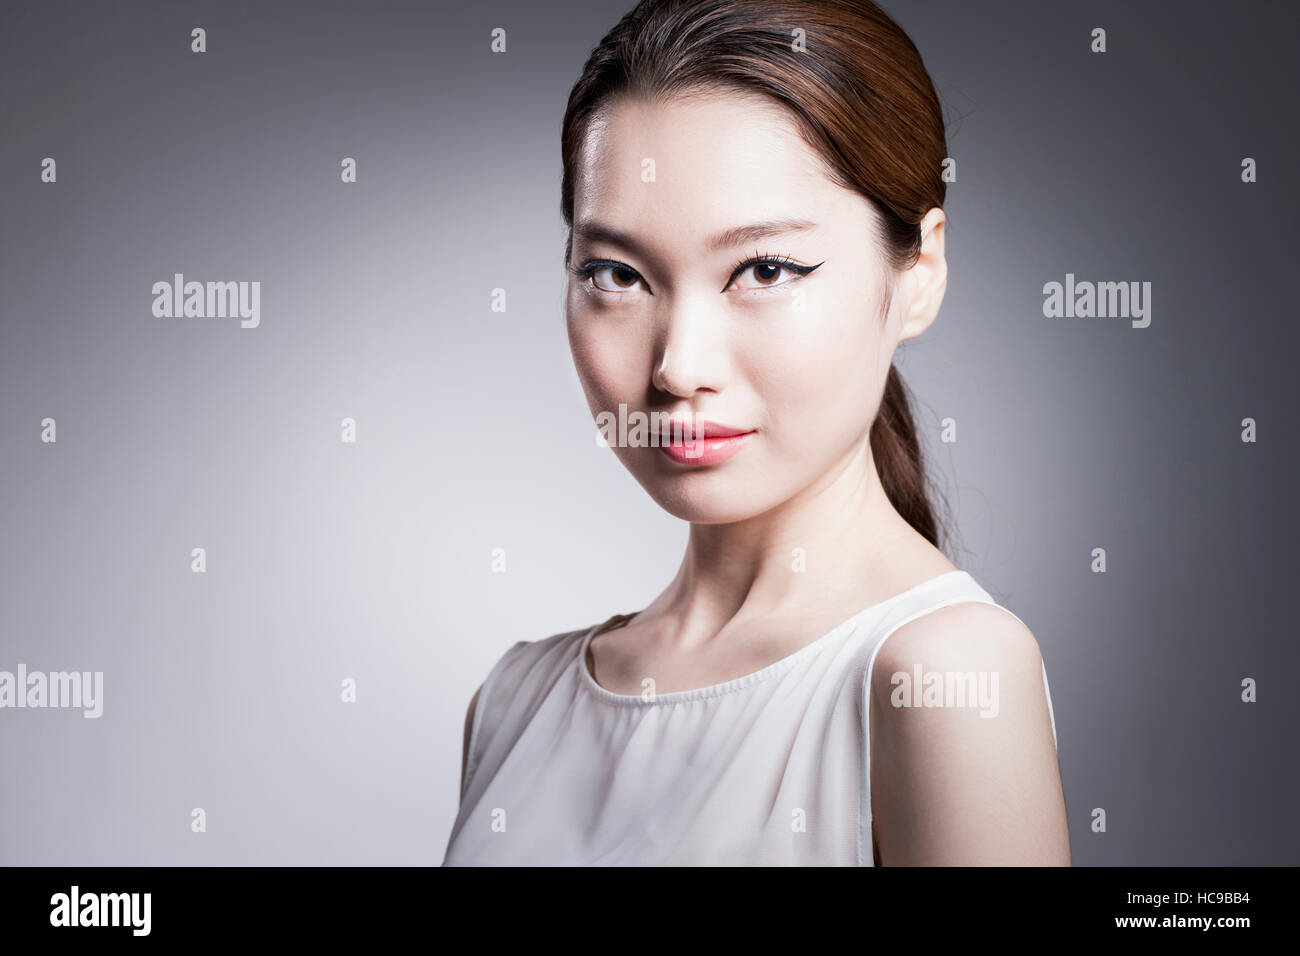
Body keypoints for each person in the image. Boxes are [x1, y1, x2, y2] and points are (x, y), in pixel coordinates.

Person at [443, 0, 1069, 865]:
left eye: (764, 269)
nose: (677, 365)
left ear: (918, 273)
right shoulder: (514, 702)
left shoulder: (946, 675)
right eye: (616, 274)